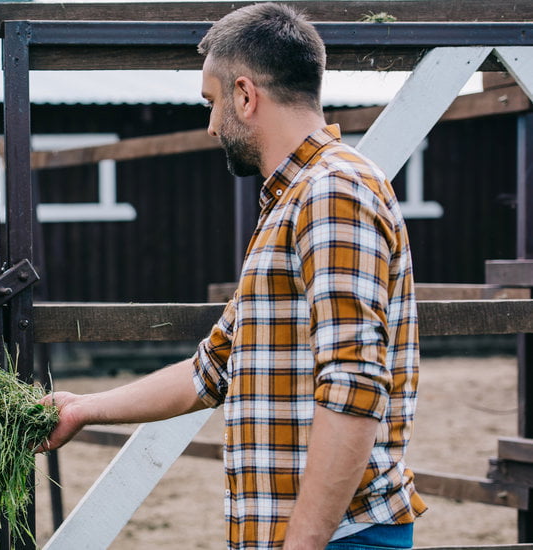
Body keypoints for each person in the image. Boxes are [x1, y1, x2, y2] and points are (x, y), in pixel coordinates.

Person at [37, 3, 426, 549]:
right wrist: (82, 410)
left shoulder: (332, 193)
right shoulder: (293, 201)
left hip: (337, 538)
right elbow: (212, 369)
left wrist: (304, 544)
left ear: (245, 95)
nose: (212, 124)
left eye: (213, 102)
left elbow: (353, 385)